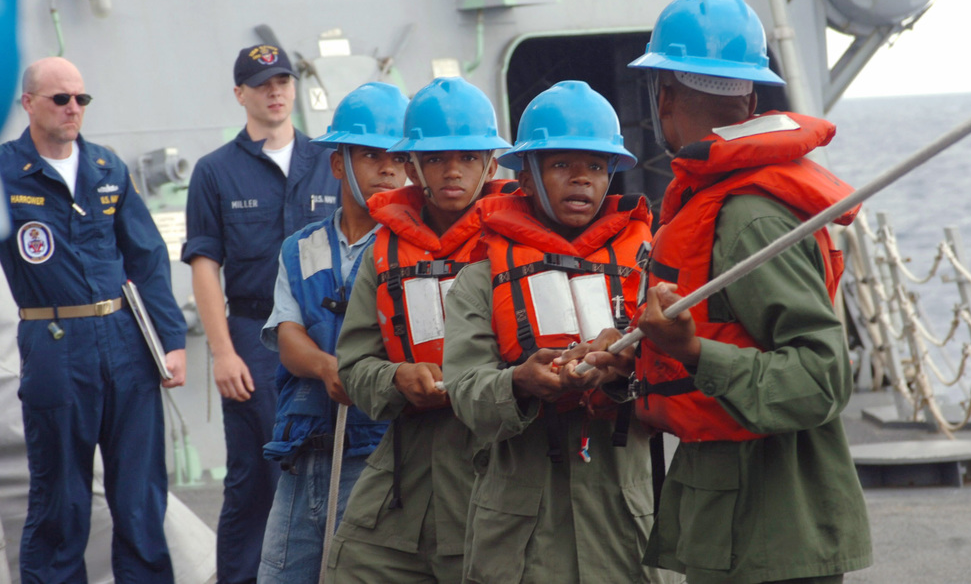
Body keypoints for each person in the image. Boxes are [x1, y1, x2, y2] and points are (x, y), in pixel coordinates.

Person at [581, 0, 873, 584]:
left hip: (774, 534)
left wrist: (690, 350)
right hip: (736, 524)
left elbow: (823, 378)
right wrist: (635, 358)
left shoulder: (749, 216)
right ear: (749, 93)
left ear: (662, 95)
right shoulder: (724, 202)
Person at [442, 80, 681, 583]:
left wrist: (622, 373)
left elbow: (683, 373)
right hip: (520, 537)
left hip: (625, 519)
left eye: (595, 166)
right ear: (524, 179)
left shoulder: (648, 268)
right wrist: (518, 384)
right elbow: (465, 393)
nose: (581, 179)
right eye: (560, 165)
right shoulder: (479, 278)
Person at [0, 56, 187, 583]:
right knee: (60, 502)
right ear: (29, 103)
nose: (73, 108)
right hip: (56, 344)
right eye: (61, 99)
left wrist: (171, 342)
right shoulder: (5, 173)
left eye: (81, 99)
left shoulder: (107, 168)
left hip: (126, 345)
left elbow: (147, 259)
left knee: (140, 500)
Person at [324, 76, 513, 584]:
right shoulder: (383, 251)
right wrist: (397, 378)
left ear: (491, 165)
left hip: (503, 461)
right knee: (351, 568)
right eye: (435, 158)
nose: (452, 170)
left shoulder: (518, 246)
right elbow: (355, 365)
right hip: (408, 467)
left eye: (468, 157)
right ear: (411, 167)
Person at [182, 44, 339, 584]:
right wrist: (222, 353)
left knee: (334, 460)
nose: (275, 92)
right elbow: (206, 266)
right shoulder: (215, 172)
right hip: (253, 334)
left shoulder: (330, 162)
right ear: (240, 95)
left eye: (283, 81)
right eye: (262, 83)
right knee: (255, 475)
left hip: (327, 330)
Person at [256, 82, 407, 582]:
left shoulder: (416, 250)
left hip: (379, 454)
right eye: (370, 155)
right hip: (304, 454)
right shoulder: (300, 247)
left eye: (399, 157)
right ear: (339, 163)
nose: (387, 168)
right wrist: (327, 368)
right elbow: (286, 330)